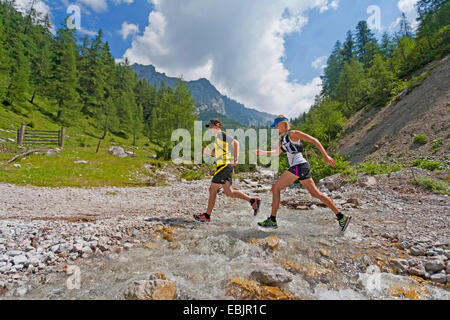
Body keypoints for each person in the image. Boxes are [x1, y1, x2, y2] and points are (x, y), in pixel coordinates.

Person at [255, 116, 351, 232]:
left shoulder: (293, 133)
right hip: (302, 167)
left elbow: (315, 140)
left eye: (276, 125)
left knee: (275, 188)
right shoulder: (283, 139)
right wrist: (261, 152)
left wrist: (326, 156)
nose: (275, 128)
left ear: (282, 123)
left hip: (299, 166)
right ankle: (342, 217)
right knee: (316, 194)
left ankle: (272, 220)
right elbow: (276, 153)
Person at [194, 119, 261, 223]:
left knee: (212, 190)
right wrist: (210, 152)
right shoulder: (218, 138)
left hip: (224, 166)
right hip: (225, 165)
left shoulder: (221, 135)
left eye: (212, 126)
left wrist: (236, 158)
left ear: (218, 126)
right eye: (209, 127)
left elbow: (236, 143)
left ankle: (206, 216)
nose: (210, 129)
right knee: (229, 192)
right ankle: (253, 200)